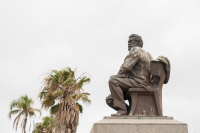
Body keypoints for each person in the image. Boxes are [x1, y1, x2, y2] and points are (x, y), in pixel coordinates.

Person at [106, 34, 154, 116]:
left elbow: (125, 67)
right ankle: (129, 111)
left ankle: (122, 109)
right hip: (143, 82)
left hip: (139, 82)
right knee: (110, 99)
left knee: (113, 80)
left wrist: (118, 77)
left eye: (131, 41)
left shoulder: (136, 50)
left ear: (138, 43)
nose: (129, 43)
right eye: (128, 42)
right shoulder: (148, 54)